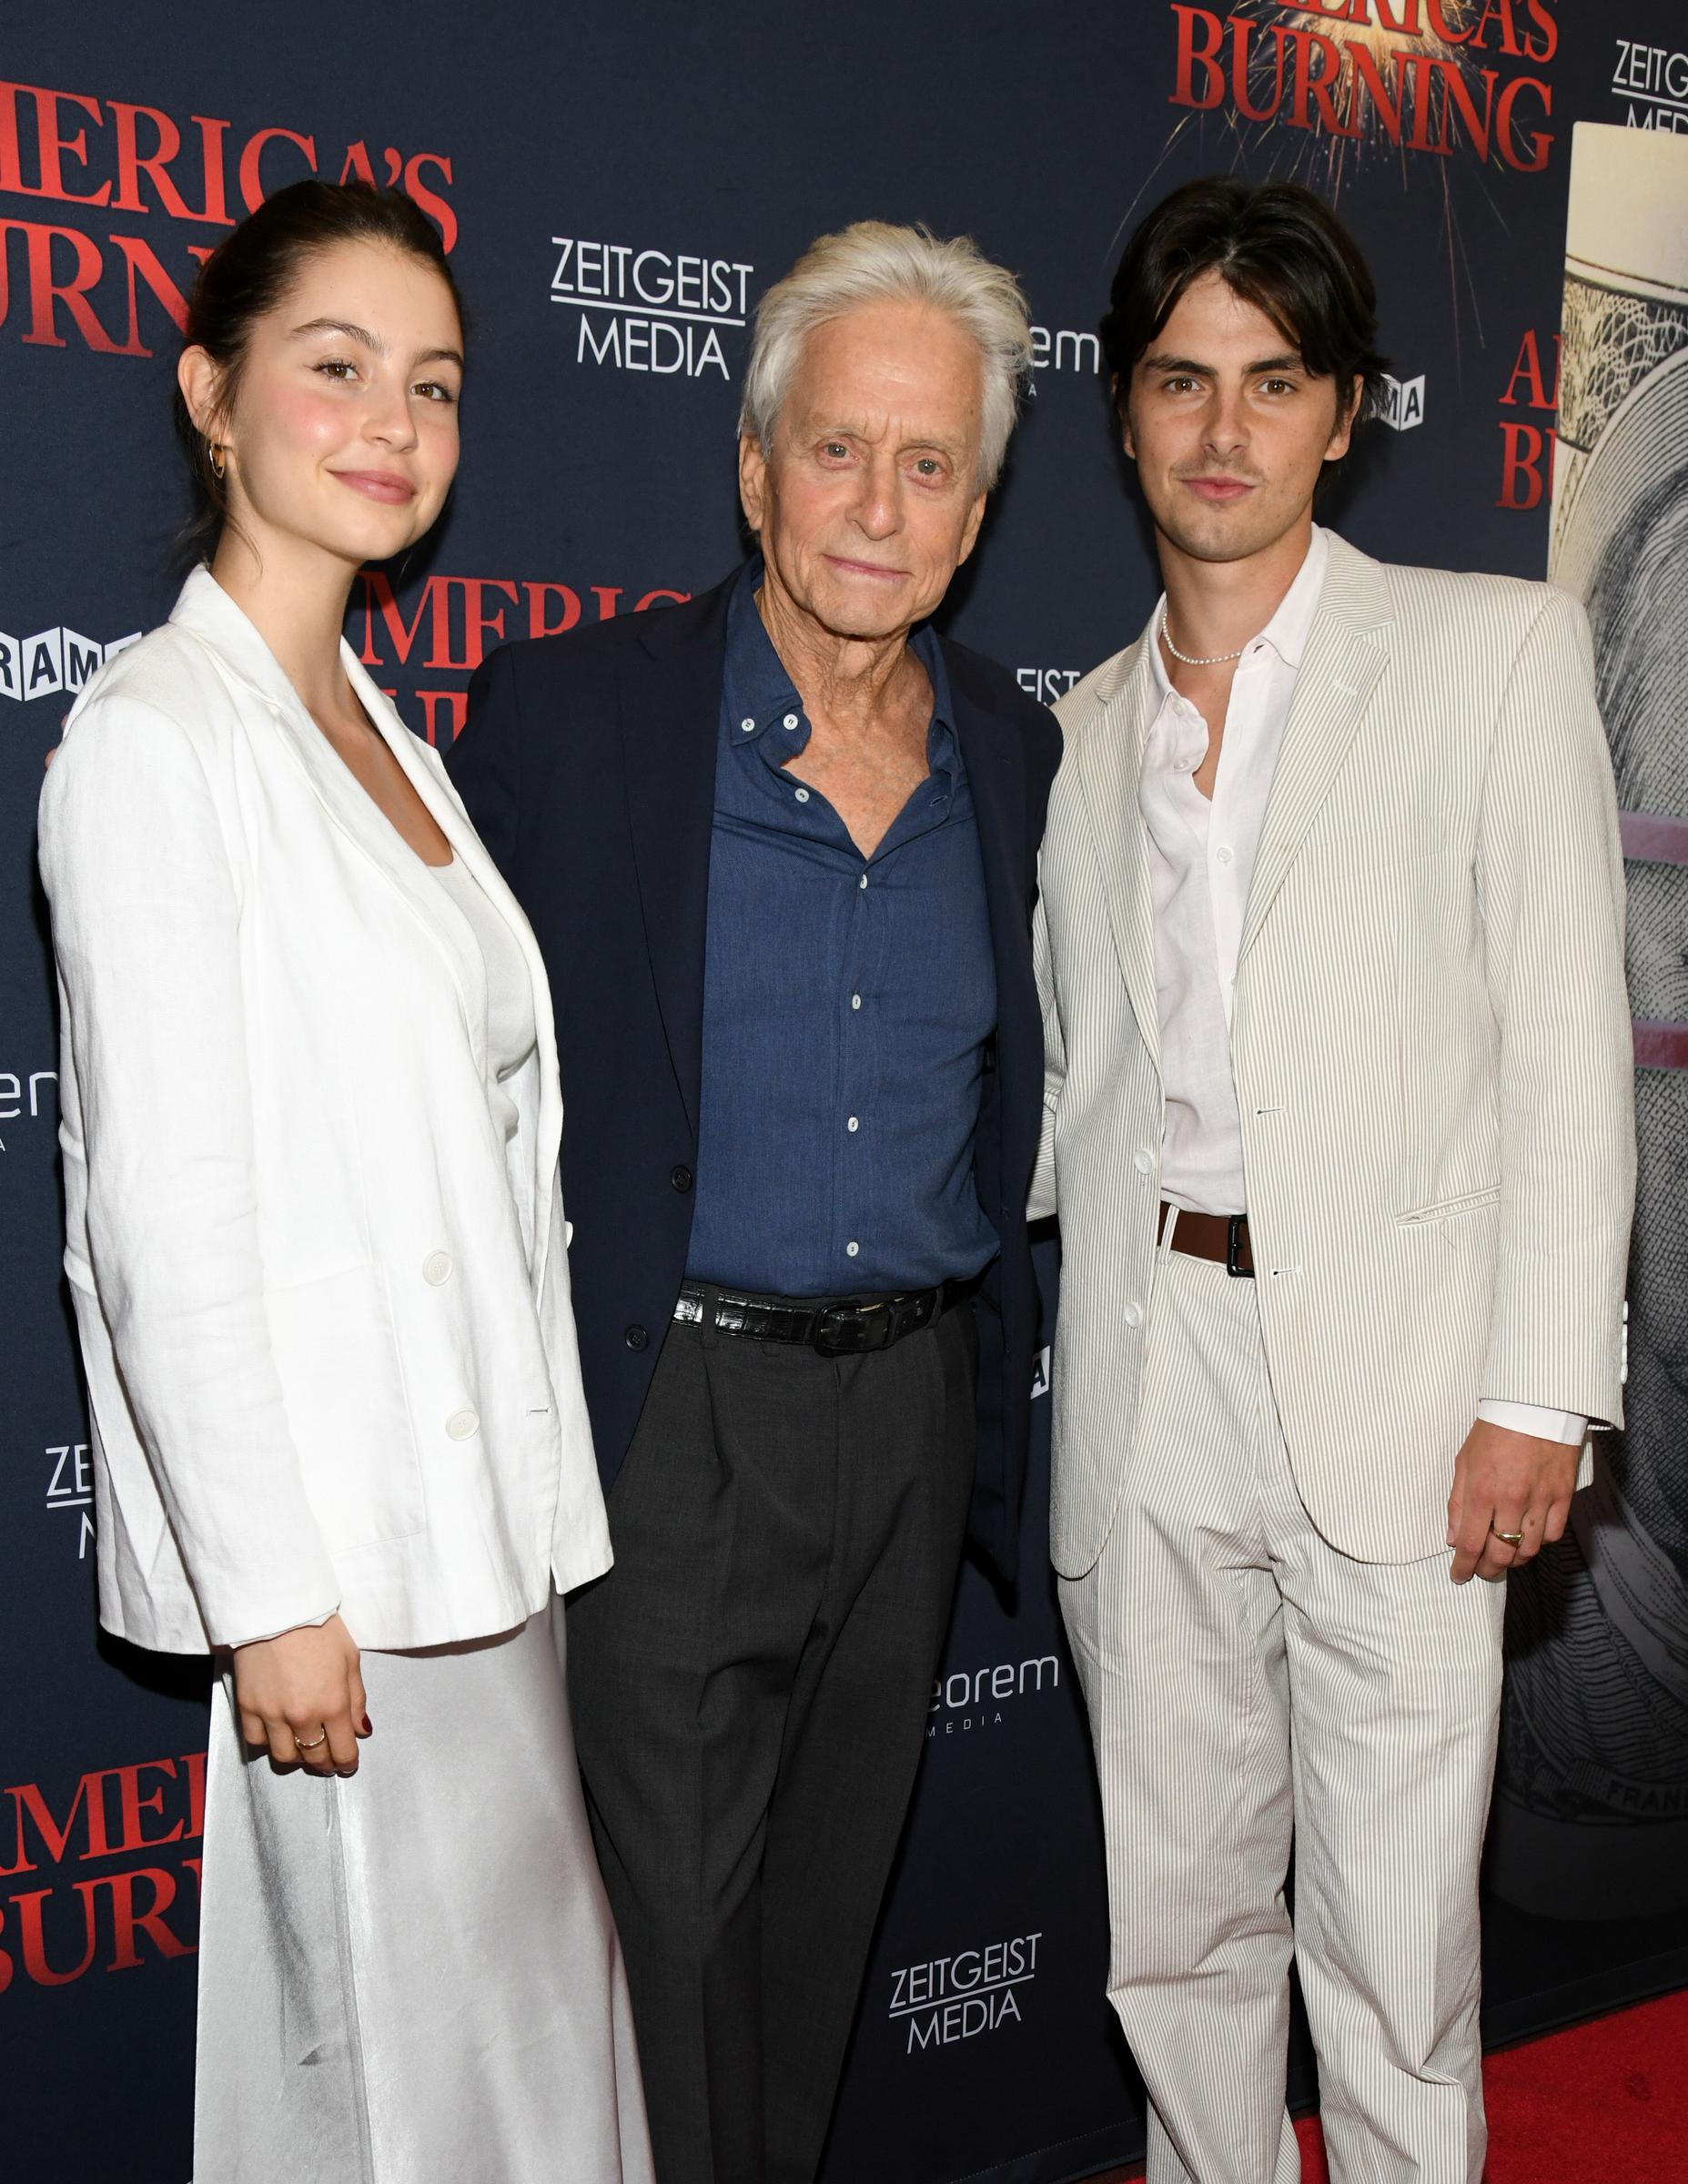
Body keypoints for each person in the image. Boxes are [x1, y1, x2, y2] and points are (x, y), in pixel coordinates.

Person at [37, 180, 651, 2184]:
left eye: (436, 384)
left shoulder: (380, 724)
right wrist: (274, 1601)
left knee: (508, 2062)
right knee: (391, 2083)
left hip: (473, 1540)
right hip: (344, 1585)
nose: (394, 419)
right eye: (337, 366)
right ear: (212, 395)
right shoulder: (151, 739)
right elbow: (163, 1222)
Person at [1028, 177, 1634, 2183]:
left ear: (1344, 411)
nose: (1222, 430)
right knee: (1177, 1934)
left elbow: (1568, 1049)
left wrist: (1536, 1391)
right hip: (1150, 1382)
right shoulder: (1085, 730)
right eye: (1181, 382)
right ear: (1121, 413)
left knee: (1393, 1940)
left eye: (1271, 383)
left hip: (1403, 1385)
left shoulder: (1492, 655)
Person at [447, 221, 1060, 2184]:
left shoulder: (1023, 753)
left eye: (930, 464)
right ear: (751, 465)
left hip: (911, 1417)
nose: (876, 508)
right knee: (678, 1945)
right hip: (673, 1424)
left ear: (975, 511)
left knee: (822, 1931)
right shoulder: (571, 720)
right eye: (836, 450)